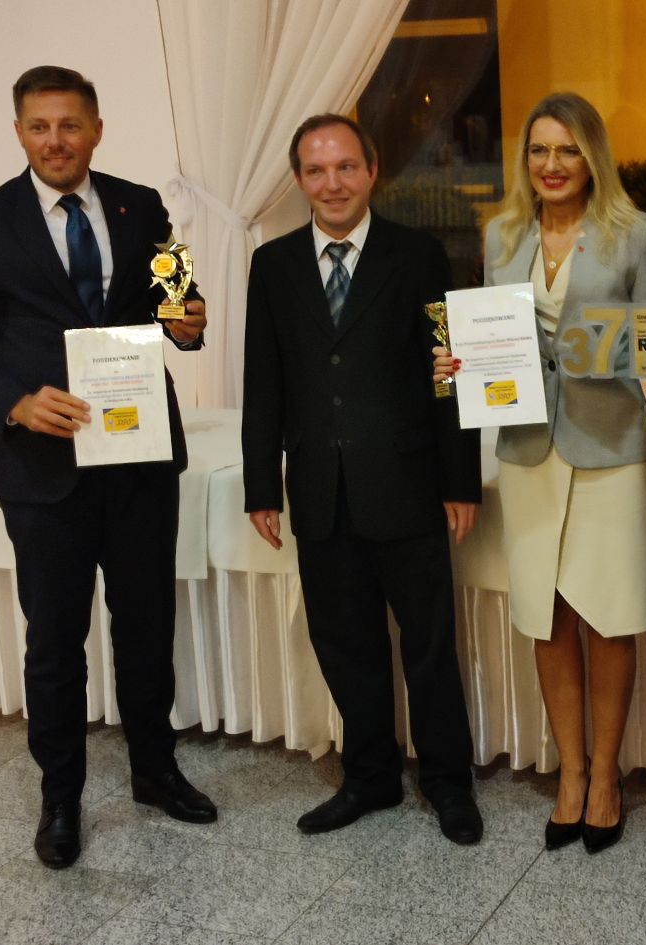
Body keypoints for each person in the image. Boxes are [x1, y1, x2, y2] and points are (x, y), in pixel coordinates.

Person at [0, 66, 216, 869]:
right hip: (41, 466)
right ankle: (61, 796)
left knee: (146, 624)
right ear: (19, 132)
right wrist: (15, 402)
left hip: (137, 456)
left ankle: (155, 770)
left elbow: (180, 307)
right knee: (55, 640)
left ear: (96, 129)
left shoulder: (141, 206)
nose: (55, 140)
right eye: (39, 126)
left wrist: (189, 322)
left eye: (69, 125)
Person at [435, 92, 646, 852]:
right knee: (546, 617)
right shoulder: (501, 234)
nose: (552, 165)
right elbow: (492, 343)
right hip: (527, 450)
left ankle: (607, 776)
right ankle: (570, 773)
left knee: (608, 616)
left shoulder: (635, 233)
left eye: (568, 150)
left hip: (610, 449)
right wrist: (455, 366)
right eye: (539, 150)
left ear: (592, 158)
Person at [241, 114, 484, 845]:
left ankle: (447, 782)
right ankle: (370, 775)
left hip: (408, 483)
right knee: (345, 643)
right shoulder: (273, 264)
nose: (333, 183)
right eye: (317, 170)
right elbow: (263, 380)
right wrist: (261, 484)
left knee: (429, 645)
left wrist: (461, 479)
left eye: (346, 166)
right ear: (298, 180)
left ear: (372, 170)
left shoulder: (419, 254)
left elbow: (448, 374)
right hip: (321, 489)